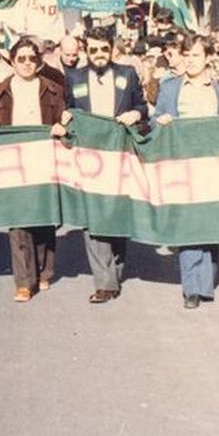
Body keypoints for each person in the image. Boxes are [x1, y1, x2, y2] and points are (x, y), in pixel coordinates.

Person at [58, 26, 148, 303]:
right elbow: (68, 111)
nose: (99, 54)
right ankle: (105, 282)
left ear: (112, 50)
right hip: (90, 158)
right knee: (94, 216)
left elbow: (143, 107)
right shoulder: (73, 77)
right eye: (93, 49)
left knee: (117, 213)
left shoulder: (127, 74)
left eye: (104, 49)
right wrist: (65, 122)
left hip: (120, 153)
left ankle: (116, 267)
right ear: (86, 50)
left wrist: (135, 113)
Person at [153, 35, 219, 310]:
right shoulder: (170, 87)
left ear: (208, 57)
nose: (190, 60)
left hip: (211, 167)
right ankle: (191, 288)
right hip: (182, 165)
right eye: (186, 55)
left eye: (196, 55)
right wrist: (160, 121)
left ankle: (206, 281)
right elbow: (155, 120)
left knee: (210, 222)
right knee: (188, 224)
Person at [0, 38, 67, 302]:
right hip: (14, 161)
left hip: (44, 158)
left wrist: (62, 124)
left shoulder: (53, 89)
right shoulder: (0, 91)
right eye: (21, 58)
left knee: (44, 217)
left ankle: (45, 272)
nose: (27, 63)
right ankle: (24, 282)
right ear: (12, 62)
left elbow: (62, 118)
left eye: (31, 58)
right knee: (19, 220)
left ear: (38, 61)